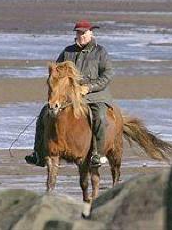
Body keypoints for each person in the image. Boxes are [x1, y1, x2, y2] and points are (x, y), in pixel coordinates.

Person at [25, 19, 114, 167]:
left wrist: (89, 88)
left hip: (94, 95)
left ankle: (98, 154)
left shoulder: (100, 52)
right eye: (78, 33)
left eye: (84, 33)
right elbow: (56, 72)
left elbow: (108, 74)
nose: (81, 36)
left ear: (91, 33)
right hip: (69, 97)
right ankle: (38, 153)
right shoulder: (67, 51)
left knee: (100, 116)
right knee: (44, 113)